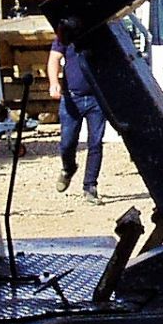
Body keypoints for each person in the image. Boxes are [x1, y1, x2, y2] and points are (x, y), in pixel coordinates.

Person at [47, 35, 104, 202]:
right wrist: (53, 82)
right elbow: (54, 58)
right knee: (67, 142)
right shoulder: (66, 33)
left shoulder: (101, 35)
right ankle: (68, 168)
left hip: (97, 99)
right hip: (71, 97)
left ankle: (90, 186)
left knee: (95, 143)